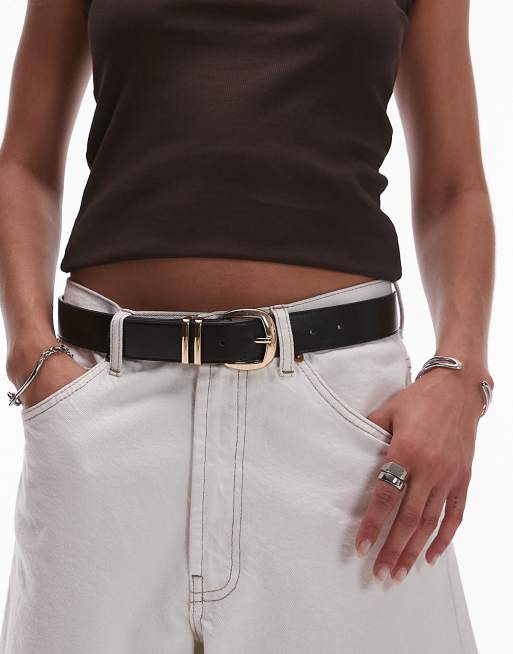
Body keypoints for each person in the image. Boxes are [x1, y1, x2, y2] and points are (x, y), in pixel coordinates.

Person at [0, 0, 494, 652]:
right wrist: (31, 353)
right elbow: (25, 162)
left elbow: (454, 187)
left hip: (343, 423)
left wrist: (461, 372)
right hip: (106, 417)